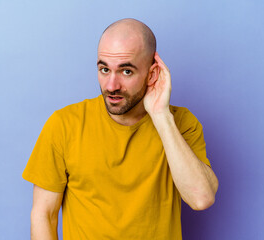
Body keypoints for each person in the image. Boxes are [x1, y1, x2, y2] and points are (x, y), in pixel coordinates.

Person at [22, 18, 218, 240]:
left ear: (152, 74)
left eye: (126, 72)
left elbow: (201, 198)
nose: (111, 86)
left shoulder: (181, 123)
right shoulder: (64, 124)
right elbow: (43, 214)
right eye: (104, 69)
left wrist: (161, 115)